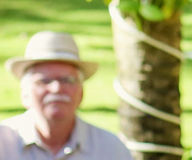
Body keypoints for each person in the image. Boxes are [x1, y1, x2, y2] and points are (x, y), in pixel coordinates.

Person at [2, 31, 133, 160]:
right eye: (45, 81)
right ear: (25, 94)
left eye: (67, 80)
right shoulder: (3, 143)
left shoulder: (110, 149)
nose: (56, 88)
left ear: (81, 93)